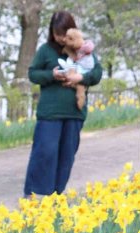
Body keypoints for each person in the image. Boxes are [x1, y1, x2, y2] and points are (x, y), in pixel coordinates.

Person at [23, 11, 102, 198]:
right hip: (50, 113)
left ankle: (56, 195)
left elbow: (97, 74)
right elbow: (33, 74)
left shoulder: (83, 50)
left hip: (74, 112)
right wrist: (52, 75)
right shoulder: (45, 50)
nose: (60, 38)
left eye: (64, 33)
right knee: (45, 152)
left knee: (66, 156)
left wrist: (80, 77)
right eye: (57, 33)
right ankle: (36, 195)